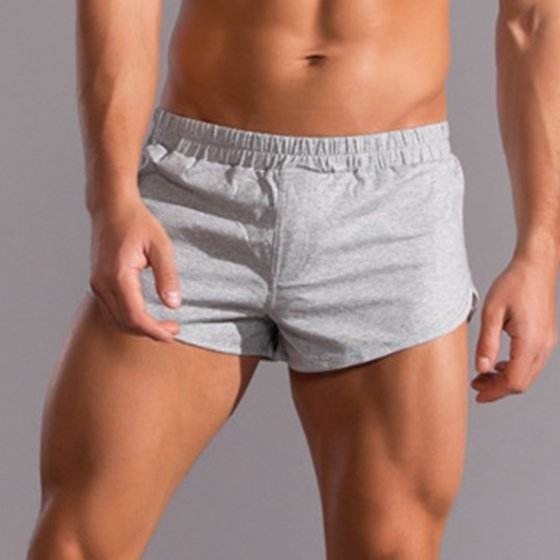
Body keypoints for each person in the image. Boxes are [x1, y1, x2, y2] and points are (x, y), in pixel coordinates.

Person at [27, 0, 559, 558]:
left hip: (391, 203)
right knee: (75, 543)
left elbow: (533, 17)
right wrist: (111, 199)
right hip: (199, 190)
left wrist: (539, 253)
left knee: (392, 548)